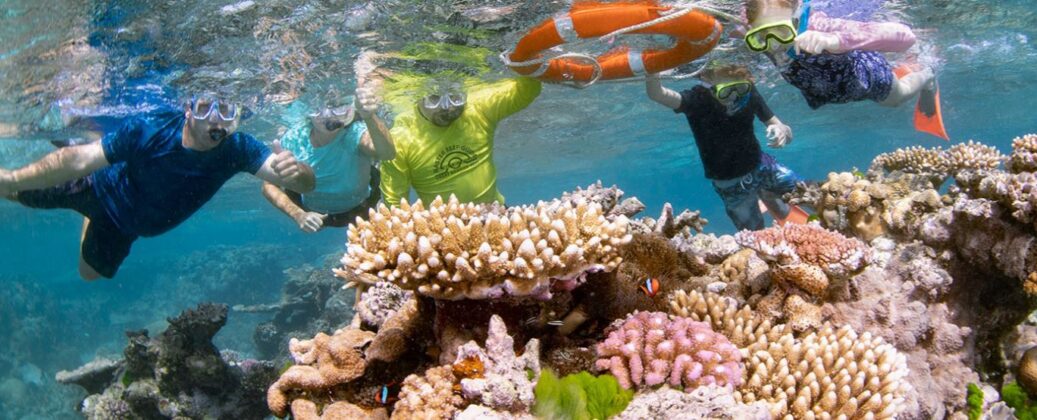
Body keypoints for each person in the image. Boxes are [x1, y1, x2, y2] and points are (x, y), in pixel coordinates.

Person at [0, 97, 315, 280]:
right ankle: (77, 136)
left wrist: (298, 172)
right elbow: (79, 159)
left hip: (125, 225)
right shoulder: (151, 127)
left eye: (226, 112)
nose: (215, 121)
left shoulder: (238, 148)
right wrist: (14, 178)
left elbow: (305, 184)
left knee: (89, 275)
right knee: (12, 192)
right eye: (205, 108)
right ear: (188, 109)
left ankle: (90, 218)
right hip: (96, 185)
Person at [645, 63, 806, 231]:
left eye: (739, 88)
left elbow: (784, 128)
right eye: (726, 91)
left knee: (808, 192)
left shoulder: (748, 92)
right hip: (731, 182)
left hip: (761, 163)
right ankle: (769, 198)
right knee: (754, 232)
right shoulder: (697, 98)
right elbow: (657, 94)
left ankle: (771, 198)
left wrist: (782, 131)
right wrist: (652, 64)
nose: (734, 97)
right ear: (705, 79)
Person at [743, 0, 938, 112]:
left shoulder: (819, 26)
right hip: (824, 89)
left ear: (798, 16)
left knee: (897, 98)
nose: (774, 44)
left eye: (782, 31)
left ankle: (927, 76)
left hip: (865, 77)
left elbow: (906, 37)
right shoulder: (751, 27)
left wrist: (834, 41)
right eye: (761, 35)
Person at [379, 77, 542, 207]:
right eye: (434, 98)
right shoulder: (401, 138)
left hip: (496, 214)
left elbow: (527, 89)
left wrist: (527, 59)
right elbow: (395, 203)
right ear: (418, 98)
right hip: (444, 229)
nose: (447, 107)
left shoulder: (478, 108)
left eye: (455, 98)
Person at [262, 85, 395, 233]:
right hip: (316, 214)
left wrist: (370, 117)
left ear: (348, 110)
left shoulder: (353, 131)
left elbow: (387, 154)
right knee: (292, 177)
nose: (327, 115)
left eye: (338, 108)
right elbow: (268, 185)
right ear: (308, 112)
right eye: (318, 109)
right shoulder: (295, 139)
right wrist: (298, 214)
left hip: (362, 207)